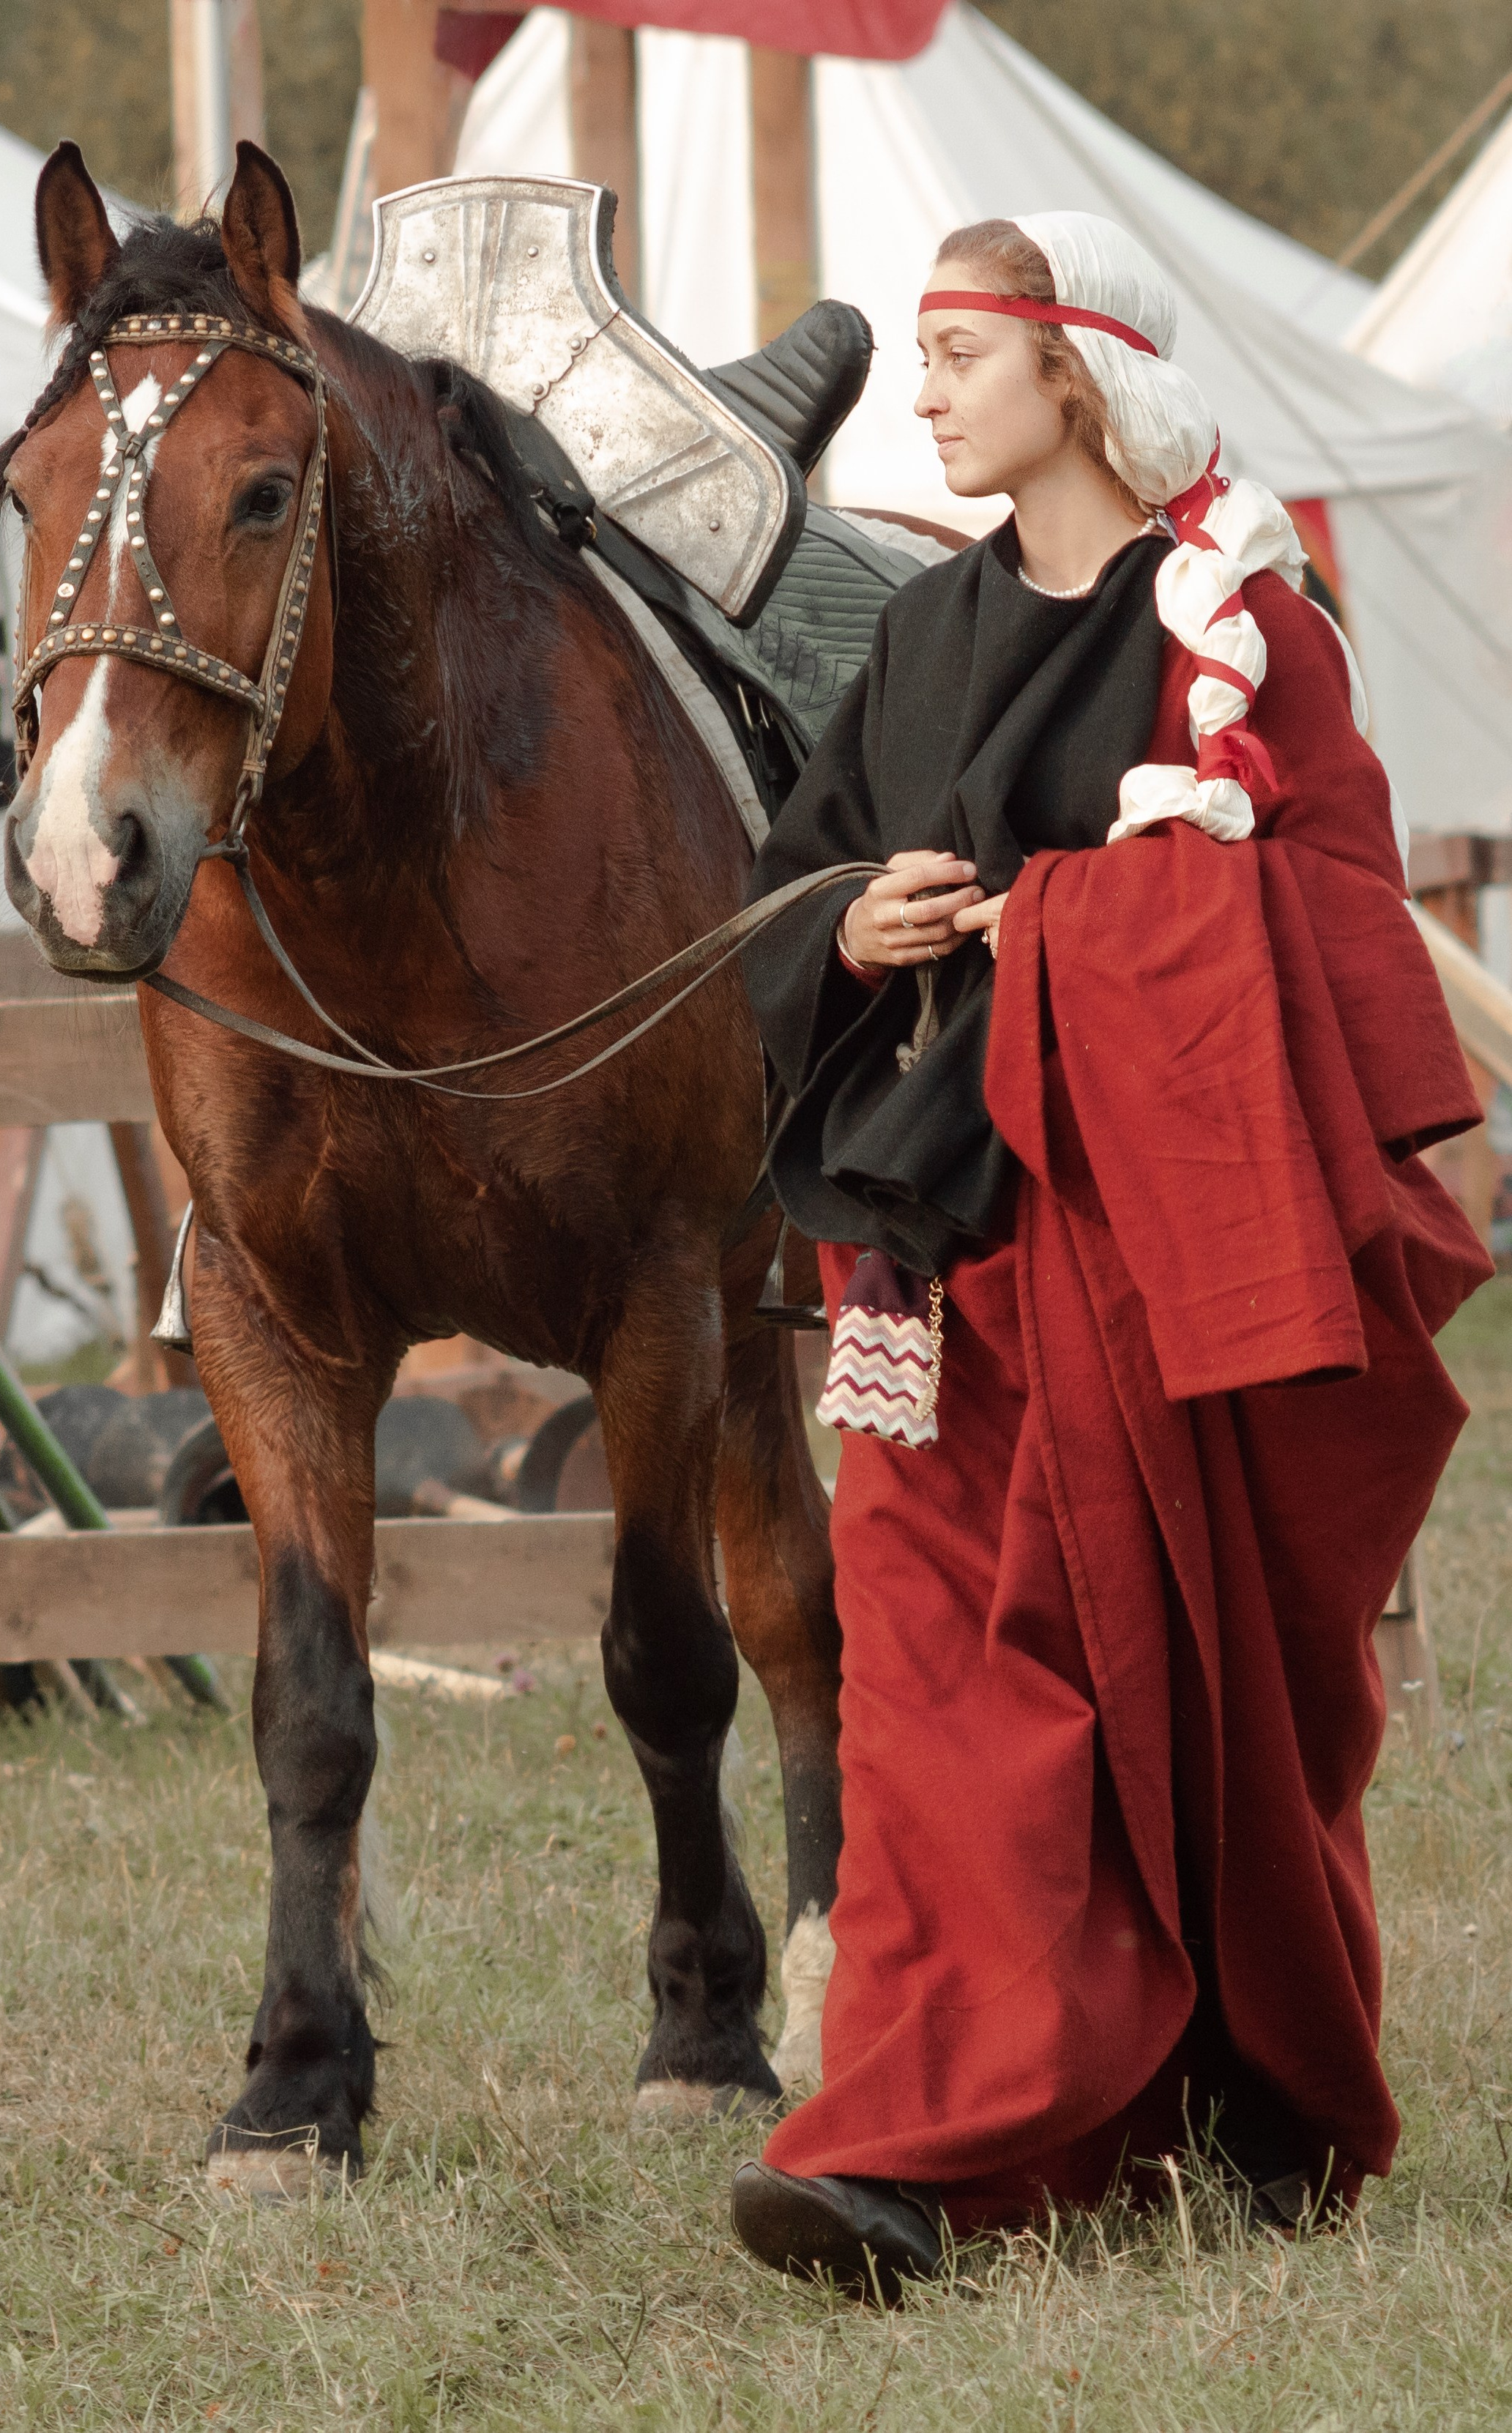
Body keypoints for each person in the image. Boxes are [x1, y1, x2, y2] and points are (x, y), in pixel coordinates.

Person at [731, 211, 1491, 2303]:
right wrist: (851, 936)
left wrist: (1053, 931)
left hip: (1144, 1266)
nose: (931, 390)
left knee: (1181, 1690)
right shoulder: (920, 631)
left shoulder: (1245, 630)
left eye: (966, 352)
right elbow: (791, 887)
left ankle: (1194, 2081)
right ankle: (898, 2148)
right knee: (927, 1699)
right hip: (932, 1260)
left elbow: (1324, 929)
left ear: (1078, 374)